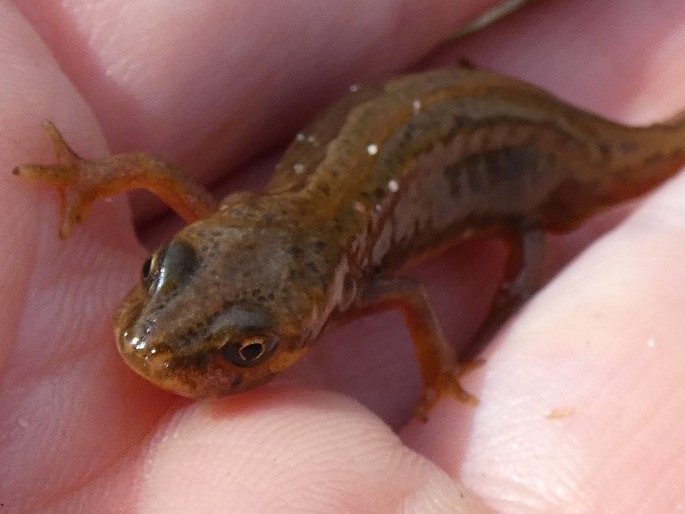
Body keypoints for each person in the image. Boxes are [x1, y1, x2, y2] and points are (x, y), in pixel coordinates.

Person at [2, 1, 684, 512]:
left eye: (245, 347)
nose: (150, 340)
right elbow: (153, 170)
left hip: (535, 157)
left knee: (533, 248)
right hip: (465, 114)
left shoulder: (355, 285)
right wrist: (88, 176)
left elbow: (410, 296)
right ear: (218, 222)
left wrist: (441, 369)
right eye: (160, 272)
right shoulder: (262, 246)